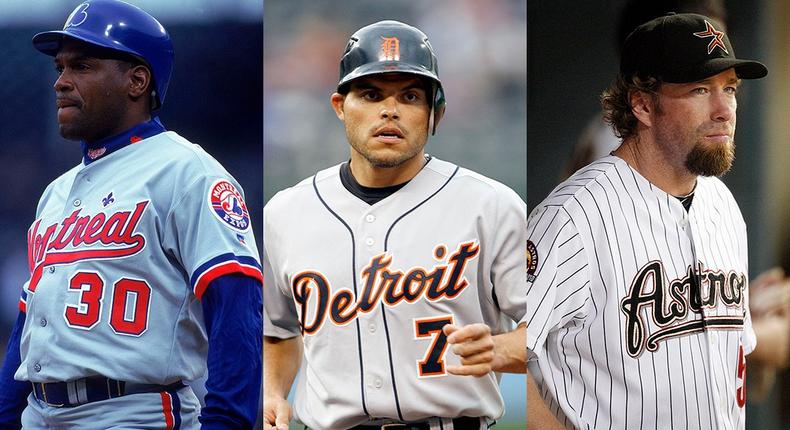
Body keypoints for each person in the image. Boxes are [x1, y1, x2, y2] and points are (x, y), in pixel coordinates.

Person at [0, 1, 263, 429]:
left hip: (131, 412)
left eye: (82, 66)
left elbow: (237, 302)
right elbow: (29, 327)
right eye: (60, 69)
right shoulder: (55, 193)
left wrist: (228, 421)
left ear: (137, 81)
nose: (61, 82)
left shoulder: (186, 170)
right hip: (39, 413)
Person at [263, 20, 527, 430]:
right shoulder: (286, 212)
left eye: (409, 95)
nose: (390, 109)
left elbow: (558, 329)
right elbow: (278, 330)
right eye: (370, 94)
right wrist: (274, 392)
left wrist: (506, 347)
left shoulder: (491, 206)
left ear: (434, 113)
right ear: (339, 106)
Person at [526, 12, 767, 429]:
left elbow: (736, 365)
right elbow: (498, 360)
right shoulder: (573, 216)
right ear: (642, 105)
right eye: (699, 89)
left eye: (729, 89)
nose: (724, 109)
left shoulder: (724, 205)